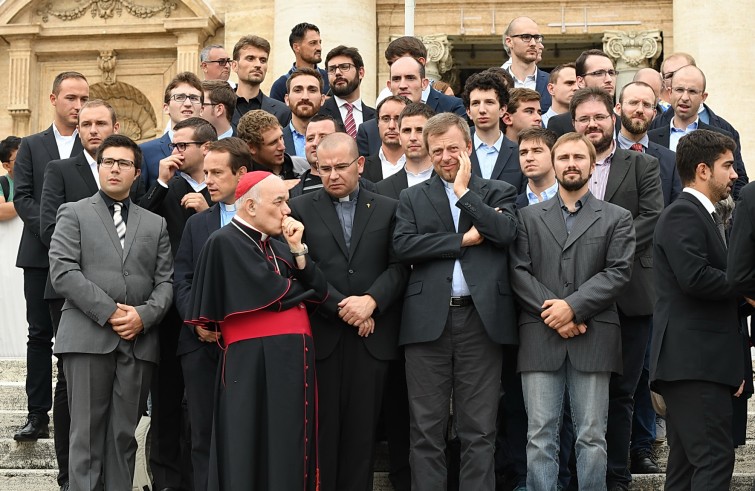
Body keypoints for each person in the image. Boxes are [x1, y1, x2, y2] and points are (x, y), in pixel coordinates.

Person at [393, 113, 519, 490]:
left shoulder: (497, 191)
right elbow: (403, 246)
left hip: (481, 323)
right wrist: (461, 241)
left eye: (452, 148)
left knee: (479, 429)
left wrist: (466, 194)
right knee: (426, 429)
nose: (445, 157)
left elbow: (505, 232)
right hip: (426, 324)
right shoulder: (411, 196)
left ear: (468, 147)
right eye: (437, 151)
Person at [187, 171, 329, 490]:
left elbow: (319, 289)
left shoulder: (278, 247)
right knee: (249, 449)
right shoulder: (225, 241)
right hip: (253, 366)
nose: (287, 211)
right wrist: (298, 287)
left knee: (286, 447)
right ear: (250, 206)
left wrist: (298, 250)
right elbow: (274, 293)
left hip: (289, 364)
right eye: (278, 202)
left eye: (287, 202)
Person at [510, 132, 635, 490]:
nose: (571, 164)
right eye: (563, 157)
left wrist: (572, 308)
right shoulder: (527, 218)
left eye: (579, 157)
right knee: (540, 436)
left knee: (592, 438)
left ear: (592, 165)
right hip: (539, 335)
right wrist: (556, 314)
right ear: (553, 162)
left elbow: (618, 272)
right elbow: (518, 272)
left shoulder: (617, 217)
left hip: (594, 337)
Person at [48, 134, 173, 491]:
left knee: (123, 437)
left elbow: (166, 283)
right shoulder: (73, 212)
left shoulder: (155, 223)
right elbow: (63, 272)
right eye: (108, 162)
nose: (115, 169)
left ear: (137, 173)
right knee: (85, 435)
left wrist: (143, 317)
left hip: (139, 341)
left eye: (124, 163)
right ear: (99, 168)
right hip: (88, 338)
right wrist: (111, 312)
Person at [289, 133, 409, 490]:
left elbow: (400, 266)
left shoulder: (389, 206)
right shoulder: (300, 208)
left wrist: (371, 301)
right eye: (324, 168)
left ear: (359, 165)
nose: (332, 175)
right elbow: (301, 270)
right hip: (323, 337)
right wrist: (345, 308)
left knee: (362, 437)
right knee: (322, 435)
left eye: (341, 167)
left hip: (371, 338)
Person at [650, 129, 745, 490]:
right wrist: (746, 288)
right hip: (693, 365)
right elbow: (695, 278)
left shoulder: (700, 215)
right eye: (728, 166)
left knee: (687, 468)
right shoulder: (683, 214)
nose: (735, 174)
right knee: (713, 460)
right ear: (703, 170)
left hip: (699, 364)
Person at [13, 71, 88, 491]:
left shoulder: (92, 145)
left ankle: (73, 409)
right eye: (72, 98)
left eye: (84, 98)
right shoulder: (32, 146)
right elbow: (21, 194)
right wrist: (51, 232)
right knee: (40, 334)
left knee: (73, 337)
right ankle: (37, 413)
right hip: (41, 254)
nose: (78, 106)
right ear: (53, 99)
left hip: (85, 257)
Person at [140, 117, 216, 491]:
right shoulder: (166, 187)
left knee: (206, 406)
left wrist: (210, 210)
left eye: (183, 145)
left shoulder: (222, 190)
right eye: (173, 145)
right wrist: (162, 182)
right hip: (170, 308)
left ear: (206, 147)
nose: (176, 152)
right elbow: (136, 221)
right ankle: (167, 480)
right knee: (167, 399)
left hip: (216, 309)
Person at [173, 137, 248, 491]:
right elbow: (182, 279)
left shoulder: (267, 218)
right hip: (200, 347)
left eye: (217, 173)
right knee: (201, 434)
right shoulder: (197, 224)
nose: (209, 181)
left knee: (244, 433)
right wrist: (198, 322)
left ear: (241, 173)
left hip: (248, 346)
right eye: (206, 173)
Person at [647, 65, 747, 199]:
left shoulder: (722, 139)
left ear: (703, 97)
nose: (685, 97)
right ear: (670, 93)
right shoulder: (651, 137)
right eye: (679, 90)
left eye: (692, 91)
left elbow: (734, 184)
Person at [615, 81, 681, 207]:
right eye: (633, 103)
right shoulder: (602, 156)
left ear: (654, 114)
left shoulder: (671, 161)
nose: (640, 110)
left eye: (646, 105)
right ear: (618, 109)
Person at [462, 72, 524, 190]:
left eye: (489, 102)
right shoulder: (458, 152)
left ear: (502, 109)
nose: (482, 110)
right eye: (475, 103)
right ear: (468, 112)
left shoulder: (519, 153)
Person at [140, 72, 203, 187]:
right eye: (180, 97)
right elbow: (138, 202)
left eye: (194, 98)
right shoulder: (145, 152)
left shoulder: (215, 150)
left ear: (202, 109)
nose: (188, 103)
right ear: (166, 108)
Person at [547, 49, 617, 136]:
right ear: (580, 81)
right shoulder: (560, 124)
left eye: (611, 73)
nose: (609, 80)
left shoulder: (624, 122)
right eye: (599, 73)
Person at [376, 103, 436, 200]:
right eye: (407, 131)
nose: (413, 138)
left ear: (433, 135)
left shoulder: (450, 181)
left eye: (420, 130)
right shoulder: (382, 189)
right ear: (399, 137)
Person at [230, 35, 291, 127]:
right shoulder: (220, 109)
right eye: (250, 59)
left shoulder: (283, 112)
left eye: (263, 60)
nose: (258, 65)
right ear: (234, 66)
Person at [318, 45, 376, 136]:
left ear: (360, 72)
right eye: (332, 69)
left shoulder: (377, 117)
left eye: (344, 67)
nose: (337, 73)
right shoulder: (318, 114)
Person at [269, 23, 330, 102]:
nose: (319, 48)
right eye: (313, 43)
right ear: (296, 47)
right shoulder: (280, 85)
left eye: (319, 42)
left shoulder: (330, 79)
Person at [501, 16, 551, 112]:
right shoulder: (496, 83)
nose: (533, 43)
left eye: (536, 38)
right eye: (526, 37)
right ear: (509, 41)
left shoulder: (552, 83)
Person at [237, 109, 298, 179]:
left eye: (281, 138)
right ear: (251, 148)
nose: (282, 147)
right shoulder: (241, 180)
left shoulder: (303, 166)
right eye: (273, 143)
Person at [362, 95, 409, 182]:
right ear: (378, 123)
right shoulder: (362, 168)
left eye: (398, 119)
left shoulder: (424, 166)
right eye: (385, 119)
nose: (391, 126)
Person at [282, 68, 324, 157]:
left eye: (312, 90)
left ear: (322, 99)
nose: (305, 97)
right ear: (287, 99)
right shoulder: (276, 142)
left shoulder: (334, 138)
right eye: (298, 90)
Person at [542, 63, 577, 128]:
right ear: (551, 89)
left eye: (579, 84)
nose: (576, 88)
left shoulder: (588, 124)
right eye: (569, 83)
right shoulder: (536, 123)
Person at [0, 136, 21, 220]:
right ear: (7, 166)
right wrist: (29, 201)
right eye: (19, 159)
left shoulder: (41, 180)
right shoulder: (2, 183)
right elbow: (1, 211)